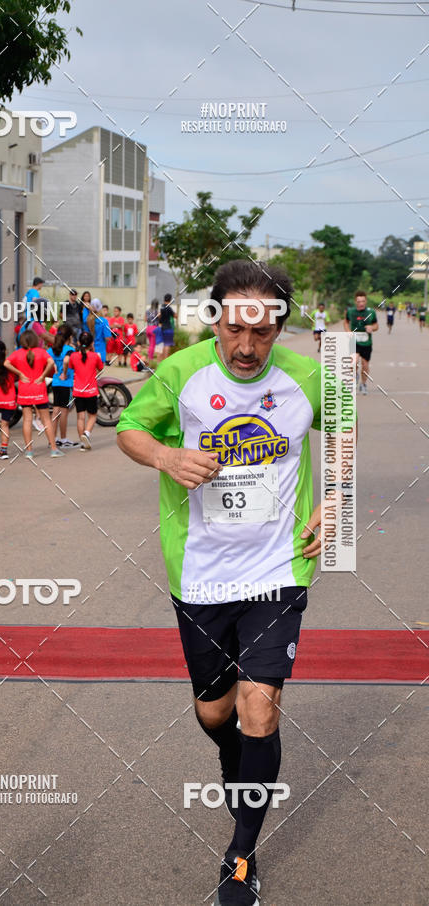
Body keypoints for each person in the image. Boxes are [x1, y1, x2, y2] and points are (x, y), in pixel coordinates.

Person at [117, 258, 339, 906]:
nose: (246, 346)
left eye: (262, 333)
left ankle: (240, 857)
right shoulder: (182, 374)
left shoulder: (307, 378)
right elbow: (130, 428)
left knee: (259, 707)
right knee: (216, 712)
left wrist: (339, 494)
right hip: (200, 573)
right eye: (235, 329)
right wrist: (166, 455)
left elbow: (347, 428)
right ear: (216, 319)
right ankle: (234, 752)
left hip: (278, 569)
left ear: (279, 328)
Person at [4, 330, 64, 460]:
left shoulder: (17, 353)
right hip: (39, 390)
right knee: (46, 419)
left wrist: (19, 373)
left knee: (27, 420)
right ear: (35, 340)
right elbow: (51, 364)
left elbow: (6, 363)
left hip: (24, 390)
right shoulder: (41, 352)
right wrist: (42, 376)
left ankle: (29, 452)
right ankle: (54, 449)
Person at [62, 330, 103, 451]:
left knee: (81, 417)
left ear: (79, 342)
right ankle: (87, 434)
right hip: (91, 391)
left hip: (78, 391)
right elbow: (100, 369)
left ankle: (82, 442)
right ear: (92, 344)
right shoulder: (95, 356)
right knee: (93, 416)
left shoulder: (74, 356)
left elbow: (71, 367)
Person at [48, 325, 78, 448]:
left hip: (55, 383)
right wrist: (64, 373)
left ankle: (53, 439)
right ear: (69, 337)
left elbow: (47, 361)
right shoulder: (69, 349)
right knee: (64, 412)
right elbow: (66, 361)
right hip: (65, 383)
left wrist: (53, 369)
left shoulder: (51, 350)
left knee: (55, 411)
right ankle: (63, 439)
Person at [343, 290, 378, 395]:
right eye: (359, 301)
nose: (361, 303)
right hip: (354, 340)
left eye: (363, 301)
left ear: (366, 301)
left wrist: (372, 327)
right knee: (353, 362)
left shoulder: (371, 312)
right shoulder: (351, 312)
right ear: (355, 302)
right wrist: (348, 331)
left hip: (366, 343)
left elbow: (376, 326)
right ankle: (355, 376)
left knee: (365, 365)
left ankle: (363, 384)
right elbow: (345, 322)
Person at [158, 293, 175, 359]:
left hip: (163, 328)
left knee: (165, 344)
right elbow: (175, 316)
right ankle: (165, 359)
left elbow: (160, 317)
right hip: (168, 328)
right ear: (170, 300)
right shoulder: (169, 308)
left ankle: (163, 359)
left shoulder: (162, 307)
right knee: (168, 345)